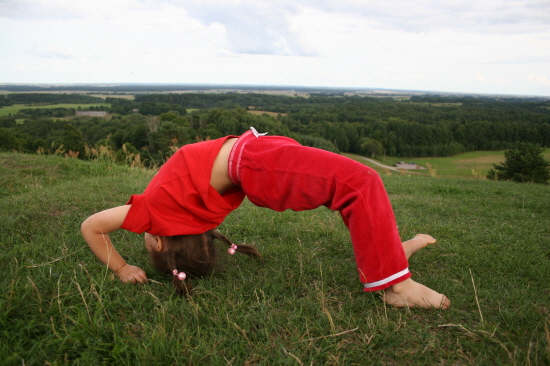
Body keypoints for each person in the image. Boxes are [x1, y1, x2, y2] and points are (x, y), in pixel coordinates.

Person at [81, 127, 450, 309]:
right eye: (145, 240)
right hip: (255, 162)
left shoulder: (172, 212)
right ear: (160, 239)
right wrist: (121, 267)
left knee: (351, 185)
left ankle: (385, 253)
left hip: (256, 151)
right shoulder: (156, 214)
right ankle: (396, 287)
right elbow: (92, 226)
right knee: (358, 182)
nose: (140, 233)